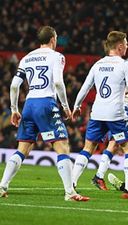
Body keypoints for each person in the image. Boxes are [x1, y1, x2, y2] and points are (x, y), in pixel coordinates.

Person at [0, 26, 89, 201]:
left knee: (23, 149)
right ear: (53, 39)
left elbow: (14, 86)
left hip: (29, 105)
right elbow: (57, 82)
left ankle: (2, 185)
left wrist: (14, 110)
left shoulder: (26, 58)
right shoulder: (57, 57)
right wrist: (64, 106)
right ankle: (70, 192)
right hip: (46, 103)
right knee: (62, 146)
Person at [71, 31, 128, 200]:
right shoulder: (125, 65)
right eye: (126, 43)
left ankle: (71, 185)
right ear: (120, 46)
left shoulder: (97, 64)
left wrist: (76, 106)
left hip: (97, 113)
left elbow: (85, 88)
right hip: (116, 113)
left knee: (88, 148)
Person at [90, 93, 128, 191]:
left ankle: (99, 176)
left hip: (111, 110)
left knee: (113, 145)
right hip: (122, 108)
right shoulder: (125, 77)